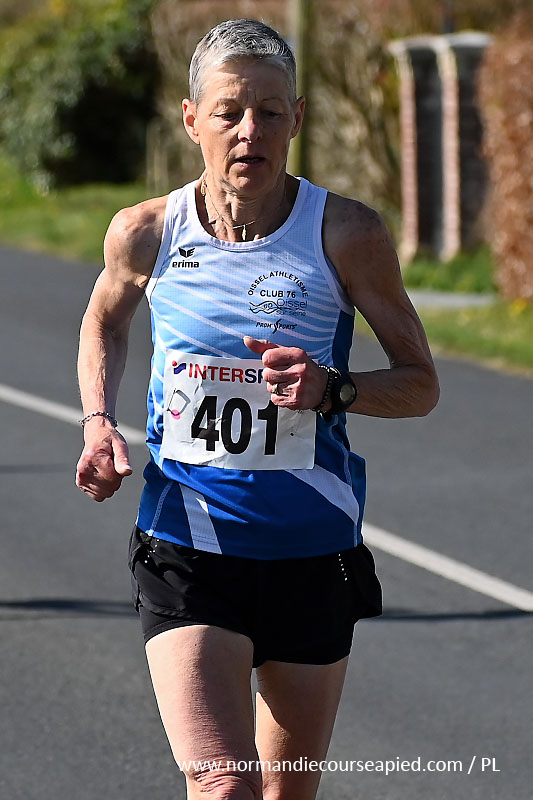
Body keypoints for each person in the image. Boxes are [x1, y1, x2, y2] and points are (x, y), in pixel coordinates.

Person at [76, 17, 439, 800]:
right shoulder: (146, 232)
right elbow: (105, 320)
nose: (251, 132)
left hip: (312, 550)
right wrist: (98, 420)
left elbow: (419, 384)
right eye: (230, 112)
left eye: (270, 112)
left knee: (284, 794)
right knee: (222, 784)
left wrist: (333, 388)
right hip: (186, 545)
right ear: (191, 120)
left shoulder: (345, 233)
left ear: (296, 119)